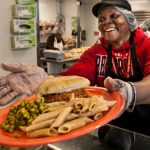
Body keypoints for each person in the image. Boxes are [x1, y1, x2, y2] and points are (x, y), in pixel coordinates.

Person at [0, 0, 150, 149]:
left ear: (129, 18)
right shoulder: (96, 51)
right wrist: (45, 81)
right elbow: (75, 75)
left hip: (144, 127)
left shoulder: (146, 46)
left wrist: (129, 92)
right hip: (110, 125)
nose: (106, 22)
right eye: (102, 19)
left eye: (114, 16)